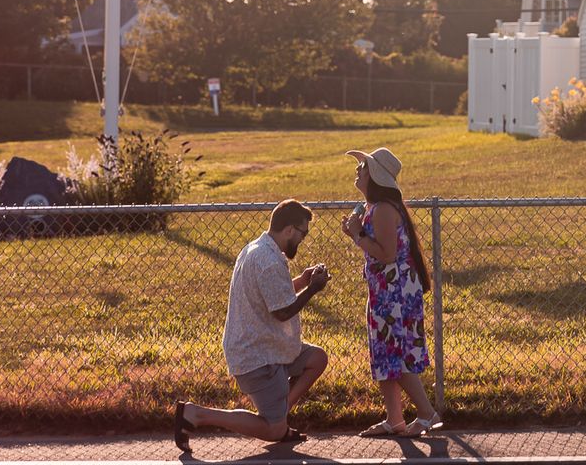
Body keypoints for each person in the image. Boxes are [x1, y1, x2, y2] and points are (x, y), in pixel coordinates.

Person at [174, 199, 331, 447]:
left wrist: (302, 280)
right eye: (303, 233)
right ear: (289, 230)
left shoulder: (257, 248)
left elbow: (273, 296)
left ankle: (280, 414)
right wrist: (313, 289)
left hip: (269, 346)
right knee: (273, 431)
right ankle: (196, 414)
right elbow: (282, 312)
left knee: (316, 358)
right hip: (258, 356)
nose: (303, 238)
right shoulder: (268, 261)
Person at [340, 147, 441, 437]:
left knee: (396, 352)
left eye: (363, 167)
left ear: (375, 176)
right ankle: (394, 420)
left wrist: (358, 234)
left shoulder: (384, 209)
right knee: (384, 353)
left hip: (395, 292)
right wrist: (356, 232)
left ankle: (427, 413)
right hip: (385, 290)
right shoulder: (375, 208)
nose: (358, 170)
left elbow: (386, 255)